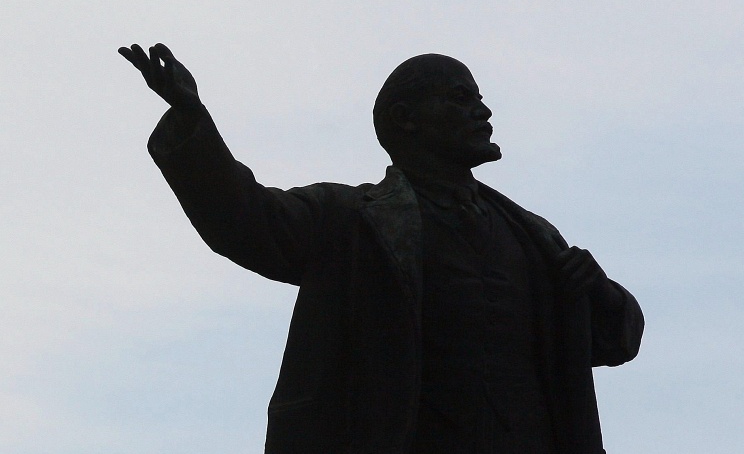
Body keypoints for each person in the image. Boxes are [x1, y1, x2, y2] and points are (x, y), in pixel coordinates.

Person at [119, 43, 644, 454]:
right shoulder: (350, 221)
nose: (483, 111)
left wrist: (598, 292)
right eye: (460, 98)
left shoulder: (532, 238)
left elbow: (614, 341)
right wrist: (191, 119)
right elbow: (246, 219)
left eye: (478, 98)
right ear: (405, 117)